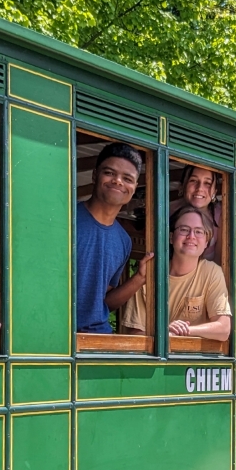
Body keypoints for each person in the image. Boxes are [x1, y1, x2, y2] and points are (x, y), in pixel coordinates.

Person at [76, 143, 154, 334]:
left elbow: (103, 303)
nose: (118, 181)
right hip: (56, 338)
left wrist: (140, 278)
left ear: (134, 187)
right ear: (95, 175)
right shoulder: (66, 218)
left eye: (127, 178)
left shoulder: (124, 241)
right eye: (110, 173)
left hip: (99, 339)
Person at [122, 206, 231, 341]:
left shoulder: (212, 272)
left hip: (196, 360)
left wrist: (181, 331)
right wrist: (166, 333)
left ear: (206, 243)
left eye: (198, 232)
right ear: (171, 237)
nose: (191, 236)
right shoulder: (150, 275)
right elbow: (135, 334)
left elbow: (224, 329)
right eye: (184, 230)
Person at [169, 165, 222, 263]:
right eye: (193, 181)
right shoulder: (167, 211)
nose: (199, 188)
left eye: (207, 183)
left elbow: (220, 261)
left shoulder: (222, 216)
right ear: (182, 186)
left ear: (214, 192)